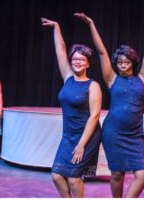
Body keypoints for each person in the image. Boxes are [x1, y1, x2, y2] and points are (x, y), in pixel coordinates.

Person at [74, 13, 144, 197]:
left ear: (132, 63)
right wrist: (92, 24)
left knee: (143, 173)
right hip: (113, 133)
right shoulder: (112, 79)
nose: (122, 65)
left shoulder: (142, 79)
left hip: (135, 135)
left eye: (126, 62)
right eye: (119, 62)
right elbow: (102, 51)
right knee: (117, 175)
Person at [41, 18, 102, 198]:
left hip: (87, 136)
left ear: (88, 63)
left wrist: (82, 145)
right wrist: (57, 26)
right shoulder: (68, 77)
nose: (77, 62)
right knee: (57, 175)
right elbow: (60, 50)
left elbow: (95, 116)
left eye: (82, 60)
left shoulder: (93, 86)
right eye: (74, 59)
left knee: (74, 178)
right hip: (68, 135)